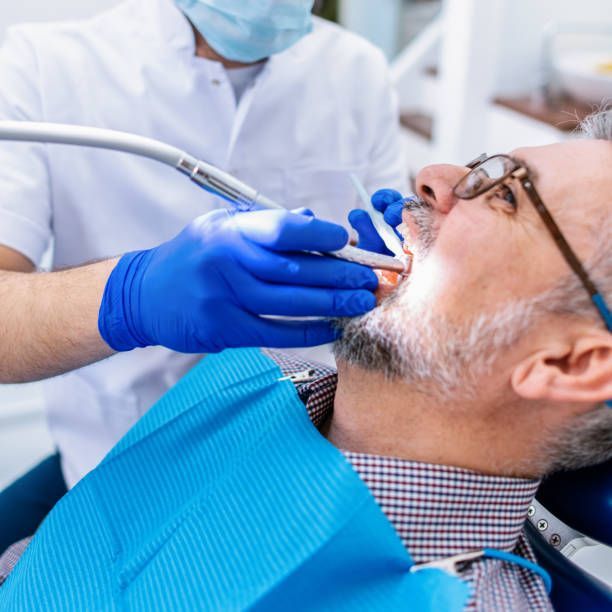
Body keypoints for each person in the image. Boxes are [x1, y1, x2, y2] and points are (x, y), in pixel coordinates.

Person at [2, 111, 610, 609]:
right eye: (482, 163)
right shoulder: (252, 383)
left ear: (567, 365)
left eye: (503, 192)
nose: (432, 176)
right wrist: (127, 295)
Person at [0, 0, 406, 549]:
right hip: (113, 462)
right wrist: (130, 296)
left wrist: (396, 268)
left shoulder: (357, 68)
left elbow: (384, 266)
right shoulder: (41, 64)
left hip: (302, 473)